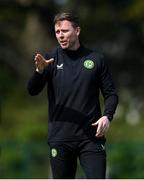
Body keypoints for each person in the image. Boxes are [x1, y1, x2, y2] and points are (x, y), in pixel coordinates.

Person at [27, 12, 118, 179]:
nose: (60, 35)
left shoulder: (96, 59)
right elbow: (32, 91)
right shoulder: (50, 60)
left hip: (91, 139)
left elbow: (111, 94)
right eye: (57, 32)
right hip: (60, 138)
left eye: (65, 31)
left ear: (77, 31)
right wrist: (39, 72)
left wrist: (107, 116)